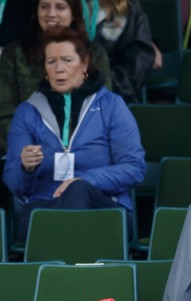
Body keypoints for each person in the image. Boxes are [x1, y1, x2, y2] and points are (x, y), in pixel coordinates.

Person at [3, 27, 146, 241]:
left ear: (84, 64)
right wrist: (25, 167)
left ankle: (63, 266)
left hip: (106, 212)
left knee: (78, 190)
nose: (59, 68)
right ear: (45, 67)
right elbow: (14, 185)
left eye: (67, 60)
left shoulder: (111, 106)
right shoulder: (27, 111)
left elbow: (135, 168)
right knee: (33, 217)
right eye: (52, 61)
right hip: (44, 208)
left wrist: (86, 180)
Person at [0, 0, 112, 155]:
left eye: (60, 7)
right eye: (44, 6)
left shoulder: (94, 54)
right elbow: (4, 111)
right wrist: (28, 148)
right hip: (27, 153)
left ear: (73, 14)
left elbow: (102, 111)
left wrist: (68, 149)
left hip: (81, 154)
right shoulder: (14, 53)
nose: (51, 14)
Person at [81, 0, 155, 103]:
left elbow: (137, 65)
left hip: (116, 97)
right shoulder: (66, 8)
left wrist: (103, 85)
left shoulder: (128, 10)